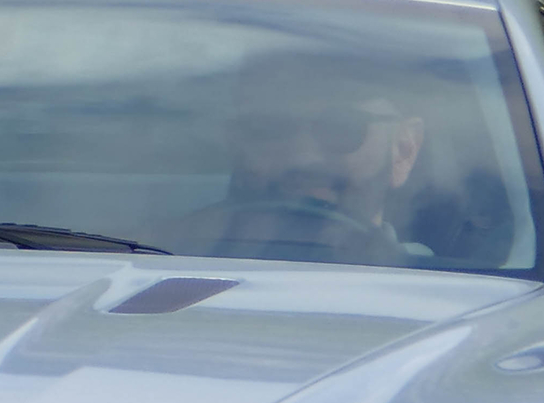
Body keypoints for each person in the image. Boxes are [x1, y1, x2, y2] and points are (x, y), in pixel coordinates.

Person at [168, 54, 431, 268]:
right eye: (269, 126)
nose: (303, 156)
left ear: (404, 149)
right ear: (237, 143)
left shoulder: (446, 290)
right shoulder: (154, 256)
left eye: (342, 126)